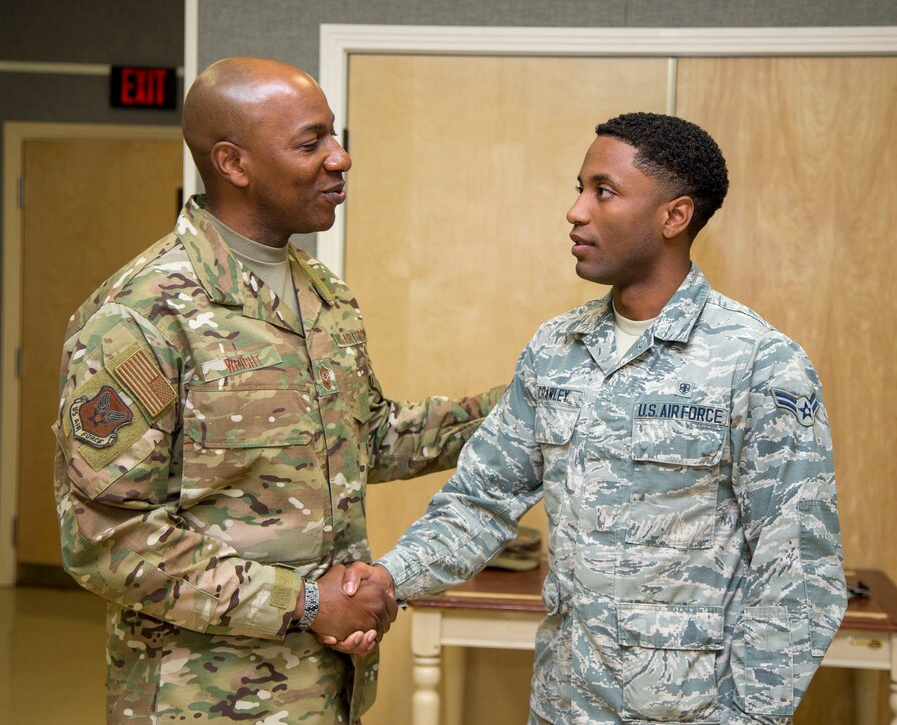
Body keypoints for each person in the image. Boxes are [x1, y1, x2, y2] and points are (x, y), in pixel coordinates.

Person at [334, 113, 847, 723]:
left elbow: (800, 574)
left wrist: (748, 718)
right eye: (578, 188)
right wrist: (388, 580)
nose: (576, 211)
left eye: (603, 191)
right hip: (564, 702)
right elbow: (480, 500)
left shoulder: (760, 363)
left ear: (674, 216)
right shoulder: (556, 349)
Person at [51, 57, 504, 724]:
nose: (340, 158)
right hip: (198, 699)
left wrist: (522, 404)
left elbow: (369, 439)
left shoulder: (325, 296)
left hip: (326, 687)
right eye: (311, 141)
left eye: (335, 136)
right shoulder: (144, 314)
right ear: (233, 162)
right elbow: (106, 536)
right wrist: (309, 603)